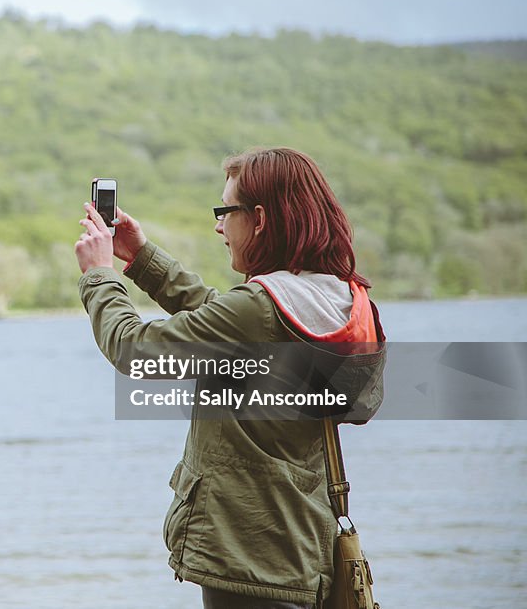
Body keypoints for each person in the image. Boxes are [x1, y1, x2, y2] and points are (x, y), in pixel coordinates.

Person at [74, 147, 385, 609]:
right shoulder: (346, 304)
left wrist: (99, 274)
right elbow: (228, 321)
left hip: (246, 560)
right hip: (304, 556)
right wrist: (141, 258)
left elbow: (134, 349)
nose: (218, 225)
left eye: (225, 211)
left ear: (259, 218)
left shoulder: (259, 309)